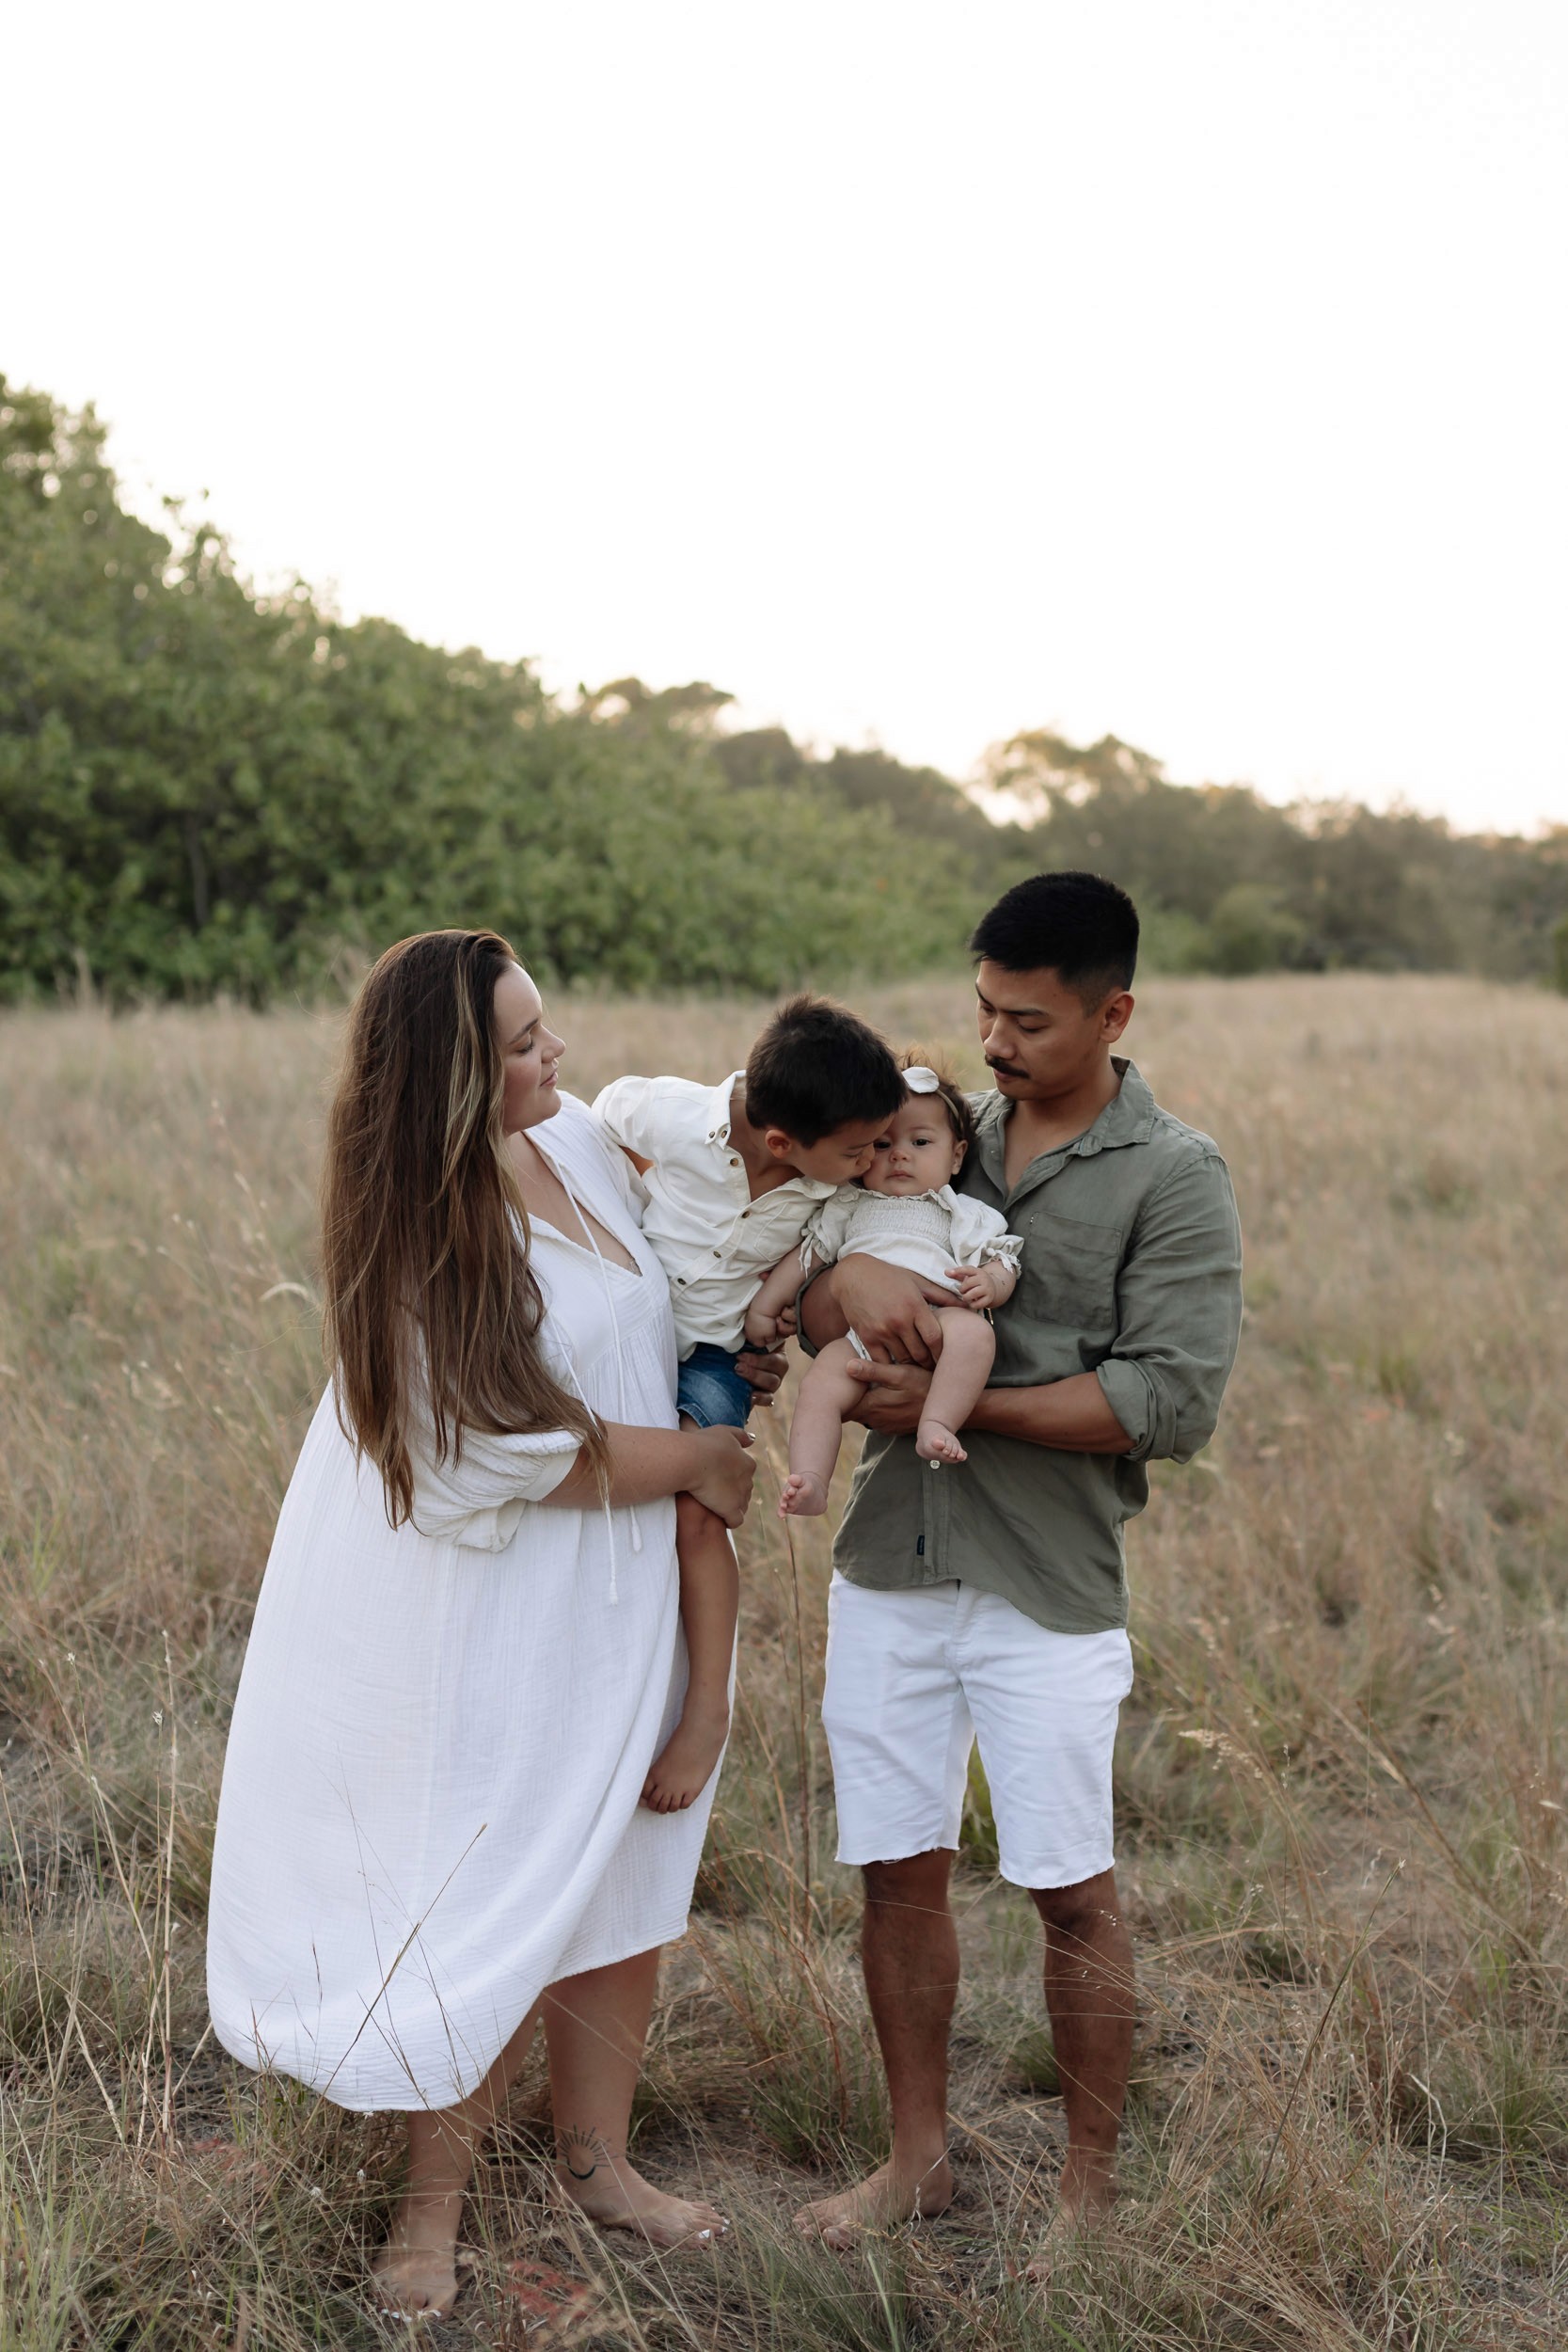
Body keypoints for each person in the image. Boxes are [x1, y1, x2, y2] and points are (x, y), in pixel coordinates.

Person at [206, 930, 758, 2324]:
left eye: (542, 1026)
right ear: (453, 1077)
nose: (553, 1053)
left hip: (628, 1586)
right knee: (493, 1882)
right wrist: (697, 1459)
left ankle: (598, 2165)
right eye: (520, 1043)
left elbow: (713, 1224)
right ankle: (430, 2208)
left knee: (621, 1866)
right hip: (506, 1602)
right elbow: (478, 1460)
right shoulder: (421, 1231)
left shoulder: (577, 1143)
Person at [792, 871, 1243, 2270]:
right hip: (890, 1564)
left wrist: (955, 1405)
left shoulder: (1174, 1175)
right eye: (984, 1010)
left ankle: (1086, 2196)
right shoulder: (930, 1131)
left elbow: (1164, 1400)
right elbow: (815, 1264)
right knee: (893, 1875)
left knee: (1068, 1890)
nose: (994, 1042)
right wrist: (844, 1301)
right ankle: (915, 2162)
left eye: (1028, 1022)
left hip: (1046, 1583)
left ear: (1113, 1014)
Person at [591, 999, 904, 1812]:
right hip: (623, 1338)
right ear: (780, 1142)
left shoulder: (835, 1189)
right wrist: (634, 1197)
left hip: (715, 1356)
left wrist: (774, 1315)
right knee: (600, 1503)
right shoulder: (673, 1117)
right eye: (857, 1149)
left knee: (697, 1512)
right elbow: (606, 1114)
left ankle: (706, 1710)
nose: (872, 1160)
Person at [743, 1058, 1021, 1510]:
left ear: (956, 1156)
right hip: (859, 1336)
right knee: (820, 1386)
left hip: (940, 1321)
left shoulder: (962, 1211)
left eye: (920, 1142)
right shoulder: (849, 1205)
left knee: (975, 1335)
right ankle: (810, 1479)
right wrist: (764, 1307)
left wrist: (992, 1281)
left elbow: (1004, 1257)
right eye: (883, 1143)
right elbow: (809, 1256)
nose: (899, 1155)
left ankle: (936, 1421)